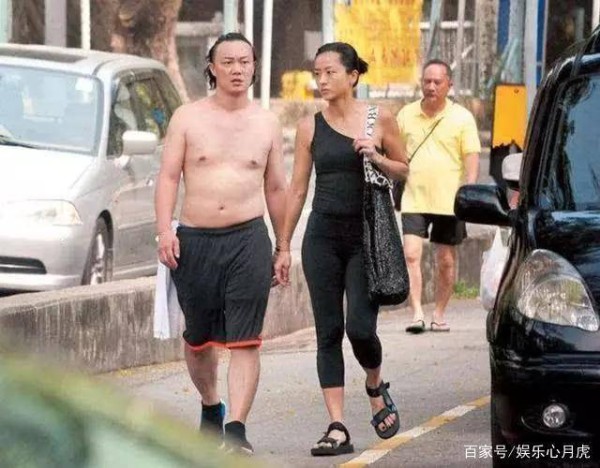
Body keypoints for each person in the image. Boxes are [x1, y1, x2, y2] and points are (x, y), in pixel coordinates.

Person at [154, 32, 287, 455]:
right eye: (227, 62)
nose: (237, 69)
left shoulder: (266, 122)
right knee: (198, 341)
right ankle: (212, 404)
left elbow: (276, 188)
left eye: (244, 61)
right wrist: (165, 230)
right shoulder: (187, 118)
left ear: (254, 66)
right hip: (195, 240)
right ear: (211, 68)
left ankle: (236, 429)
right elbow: (168, 177)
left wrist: (283, 246)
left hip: (248, 238)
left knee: (246, 339)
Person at [274, 42, 409, 456]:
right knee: (328, 332)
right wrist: (283, 246)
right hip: (322, 238)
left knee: (360, 329)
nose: (322, 80)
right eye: (317, 73)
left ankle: (375, 384)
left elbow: (403, 168)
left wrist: (376, 156)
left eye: (330, 72)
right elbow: (298, 190)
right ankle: (337, 426)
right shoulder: (309, 127)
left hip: (365, 238)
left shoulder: (379, 118)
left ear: (353, 75)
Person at [397, 59, 481, 335]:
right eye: (427, 81)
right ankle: (417, 313)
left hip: (449, 201)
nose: (431, 87)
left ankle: (439, 313)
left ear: (449, 85)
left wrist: (469, 191)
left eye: (437, 82)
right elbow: (395, 150)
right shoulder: (406, 115)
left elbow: (471, 157)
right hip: (414, 197)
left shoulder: (462, 118)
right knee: (411, 254)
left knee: (445, 260)